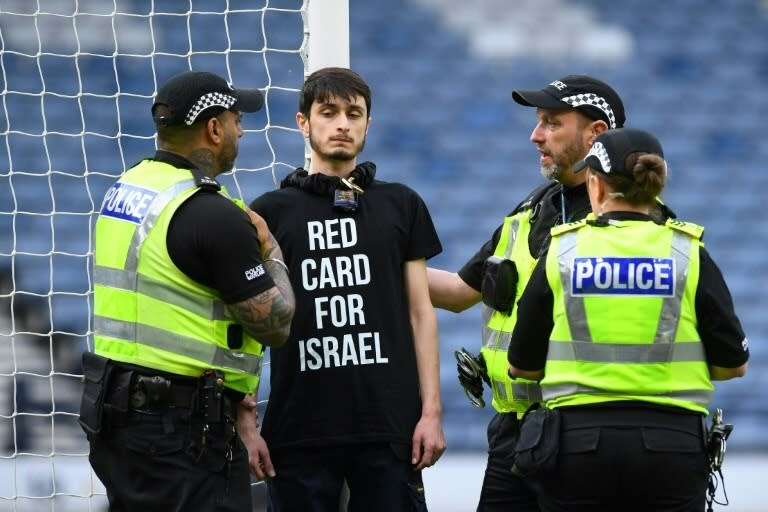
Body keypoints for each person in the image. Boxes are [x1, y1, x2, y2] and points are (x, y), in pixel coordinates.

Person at [428, 74, 667, 511]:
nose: (536, 135)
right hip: (516, 433)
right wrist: (376, 257)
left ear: (596, 134)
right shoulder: (530, 208)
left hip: (587, 435)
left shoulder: (639, 226)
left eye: (553, 123)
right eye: (539, 122)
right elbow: (460, 292)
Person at [79, 70, 296, 511]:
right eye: (236, 118)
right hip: (182, 433)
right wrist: (271, 248)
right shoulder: (214, 215)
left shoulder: (128, 188)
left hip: (117, 416)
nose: (241, 128)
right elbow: (276, 324)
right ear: (214, 129)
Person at [508, 127, 749, 511]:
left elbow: (520, 366)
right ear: (656, 187)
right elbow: (734, 364)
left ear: (596, 186)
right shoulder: (687, 252)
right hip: (672, 445)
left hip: (577, 445)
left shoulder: (562, 250)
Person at [249, 66, 446, 512]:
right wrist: (247, 419)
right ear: (303, 122)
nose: (342, 124)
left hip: (389, 427)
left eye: (354, 114)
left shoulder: (402, 203)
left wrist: (431, 413)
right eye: (329, 112)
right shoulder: (270, 212)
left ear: (368, 124)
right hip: (298, 427)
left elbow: (421, 312)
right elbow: (250, 321)